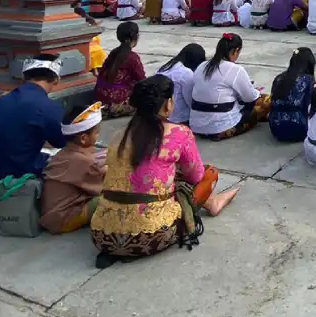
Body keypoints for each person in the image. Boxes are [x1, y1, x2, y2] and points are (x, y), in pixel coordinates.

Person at [91, 75, 238, 267]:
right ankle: (213, 203)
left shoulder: (119, 135)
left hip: (103, 235)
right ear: (168, 104)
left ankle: (212, 203)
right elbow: (196, 176)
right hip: (152, 236)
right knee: (209, 173)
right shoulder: (179, 134)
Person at [0, 55, 68, 209]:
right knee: (72, 159)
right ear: (56, 79)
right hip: (16, 190)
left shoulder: (1, 101)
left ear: (25, 77)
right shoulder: (48, 107)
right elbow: (62, 142)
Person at [188, 33, 272, 140]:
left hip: (196, 126)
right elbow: (250, 97)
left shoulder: (202, 66)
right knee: (266, 100)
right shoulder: (235, 69)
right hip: (221, 127)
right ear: (236, 50)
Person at [39, 102, 107, 234]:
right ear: (83, 138)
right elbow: (100, 189)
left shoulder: (64, 153)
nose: (98, 136)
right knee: (111, 197)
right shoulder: (83, 161)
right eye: (97, 133)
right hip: (63, 219)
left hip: (52, 215)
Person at [94, 22, 146, 118]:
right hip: (116, 102)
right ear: (136, 36)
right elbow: (142, 80)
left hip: (100, 99)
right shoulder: (133, 57)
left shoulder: (114, 52)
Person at [269, 47, 316, 142]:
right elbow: (311, 105)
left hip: (275, 126)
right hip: (299, 127)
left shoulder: (279, 77)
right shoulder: (308, 79)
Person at [161, 43, 207, 126]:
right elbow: (191, 101)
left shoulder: (166, 67)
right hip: (179, 118)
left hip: (162, 113)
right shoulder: (186, 73)